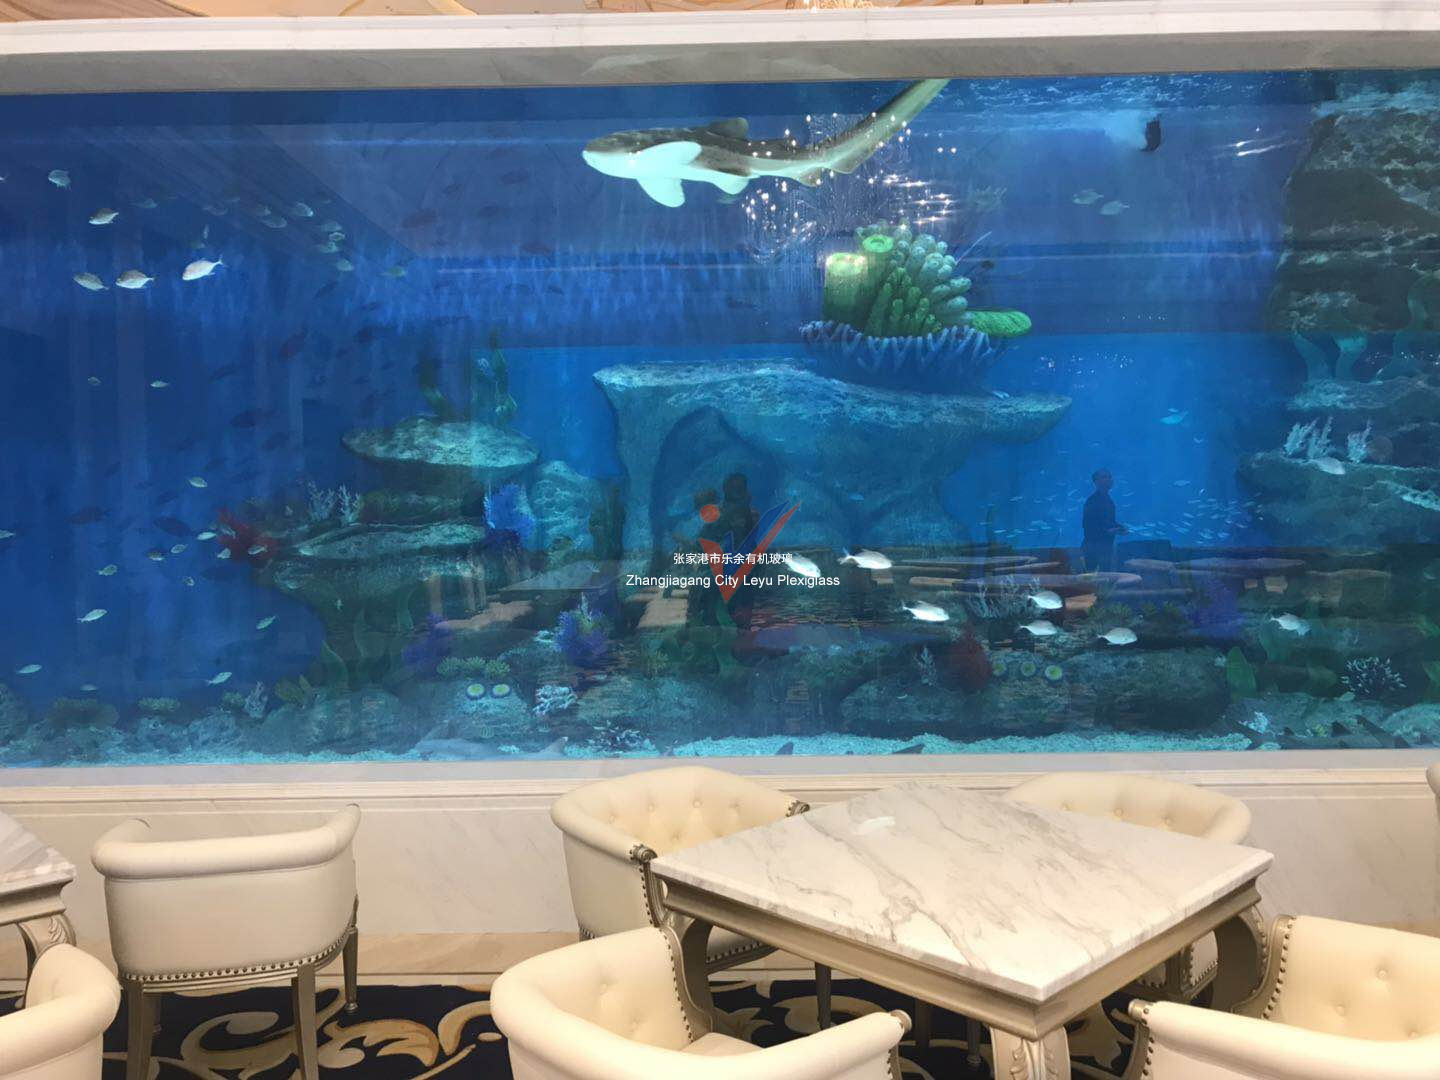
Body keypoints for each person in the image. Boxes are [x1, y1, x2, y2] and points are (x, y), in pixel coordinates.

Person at [1082, 468, 1127, 572]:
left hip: (1105, 545)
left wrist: (1119, 527)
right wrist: (1108, 531)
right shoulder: (1092, 501)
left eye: (1110, 477)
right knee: (1092, 576)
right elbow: (1087, 525)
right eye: (1104, 477)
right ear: (1096, 481)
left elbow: (1108, 522)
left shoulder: (1107, 499)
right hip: (1094, 546)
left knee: (1105, 576)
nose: (1109, 479)